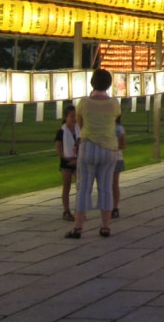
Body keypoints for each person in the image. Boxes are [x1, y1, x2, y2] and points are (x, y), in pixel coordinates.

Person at [67, 68, 122, 239]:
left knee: (84, 187)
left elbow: (80, 123)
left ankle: (78, 227)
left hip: (88, 146)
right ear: (109, 84)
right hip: (109, 148)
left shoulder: (84, 102)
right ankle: (105, 226)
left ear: (92, 83)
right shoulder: (114, 103)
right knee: (106, 187)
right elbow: (115, 119)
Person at [54, 104, 80, 221]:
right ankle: (66, 210)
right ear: (66, 118)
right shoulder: (61, 131)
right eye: (72, 116)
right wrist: (66, 158)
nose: (74, 119)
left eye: (76, 116)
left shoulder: (79, 129)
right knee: (66, 186)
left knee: (81, 185)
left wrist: (77, 159)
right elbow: (58, 147)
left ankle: (80, 210)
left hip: (78, 160)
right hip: (66, 162)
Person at [111, 115, 126, 219]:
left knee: (114, 183)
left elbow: (123, 144)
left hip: (116, 158)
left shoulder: (119, 128)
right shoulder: (104, 127)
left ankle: (115, 207)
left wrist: (111, 147)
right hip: (105, 158)